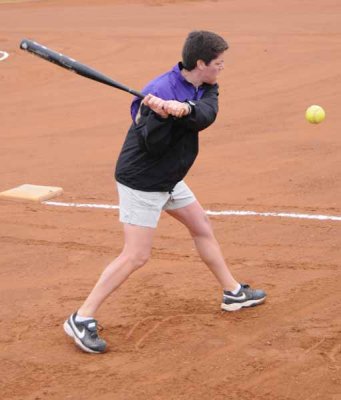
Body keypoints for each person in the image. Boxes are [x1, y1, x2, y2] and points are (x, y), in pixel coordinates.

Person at [63, 31, 266, 354]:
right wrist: (159, 115)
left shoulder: (205, 85)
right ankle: (81, 316)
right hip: (143, 179)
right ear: (201, 63)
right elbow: (151, 144)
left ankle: (232, 292)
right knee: (136, 255)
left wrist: (183, 109)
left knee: (201, 227)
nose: (222, 68)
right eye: (218, 63)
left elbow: (207, 114)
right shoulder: (157, 91)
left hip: (170, 177)